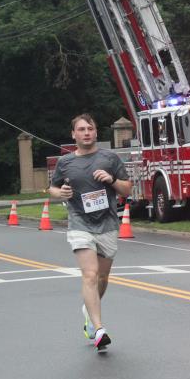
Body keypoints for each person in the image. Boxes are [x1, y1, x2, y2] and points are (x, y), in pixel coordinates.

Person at [48, 114, 132, 352]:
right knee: (90, 275)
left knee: (102, 278)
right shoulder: (65, 162)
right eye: (81, 129)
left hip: (107, 224)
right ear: (73, 134)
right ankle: (99, 329)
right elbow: (53, 188)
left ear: (96, 132)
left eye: (90, 129)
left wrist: (111, 179)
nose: (86, 133)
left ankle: (88, 310)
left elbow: (127, 188)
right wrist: (60, 193)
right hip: (79, 224)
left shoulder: (109, 158)